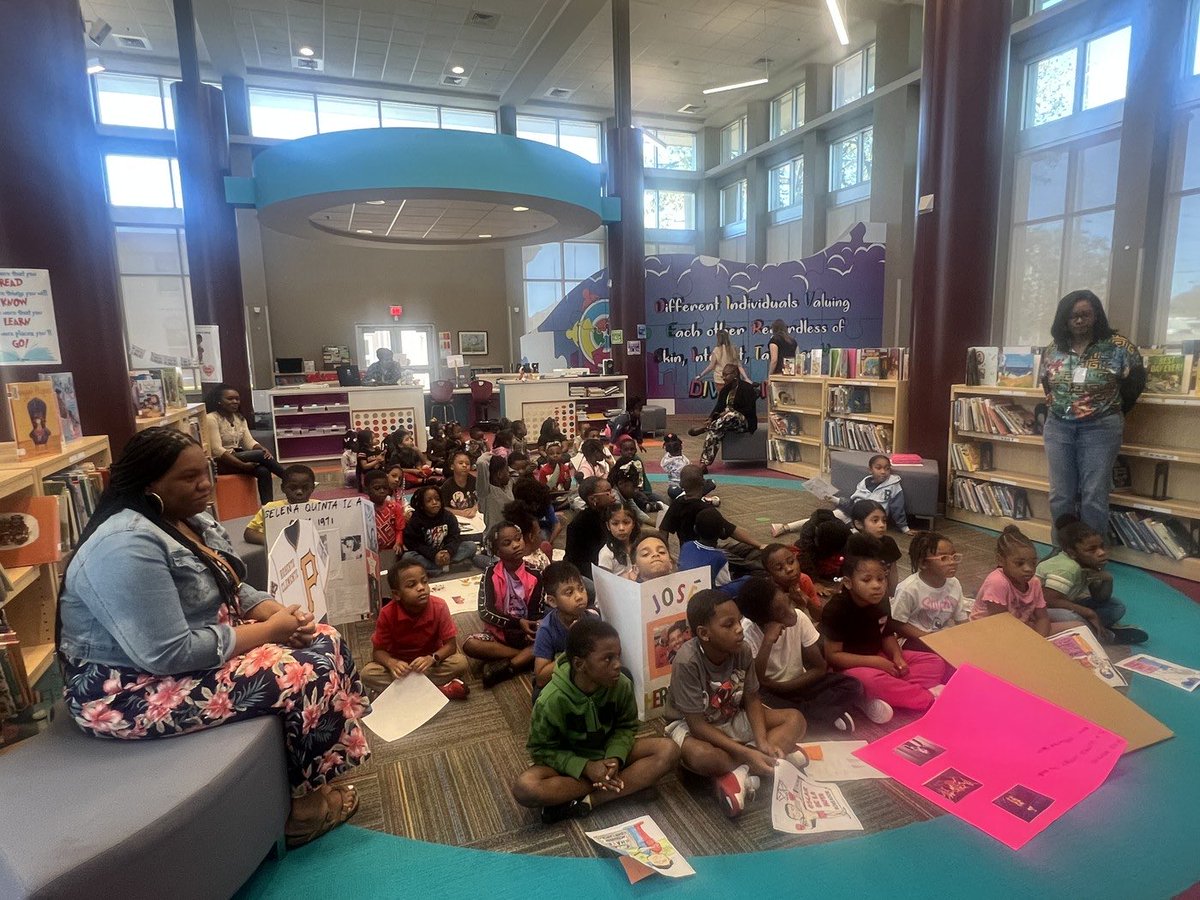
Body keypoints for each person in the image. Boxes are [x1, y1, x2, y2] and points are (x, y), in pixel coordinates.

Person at [57, 428, 369, 848]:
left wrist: (272, 610)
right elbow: (167, 654)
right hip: (131, 688)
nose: (205, 483)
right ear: (149, 484)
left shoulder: (187, 518)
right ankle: (303, 811)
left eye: (203, 471)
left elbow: (232, 583)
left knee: (325, 638)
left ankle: (316, 778)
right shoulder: (125, 546)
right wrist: (267, 633)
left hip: (201, 650)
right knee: (299, 672)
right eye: (188, 478)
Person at [513, 618, 680, 824]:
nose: (618, 665)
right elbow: (541, 750)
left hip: (609, 753)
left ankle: (592, 800)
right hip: (572, 765)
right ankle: (626, 783)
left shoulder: (622, 685)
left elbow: (626, 726)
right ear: (579, 664)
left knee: (669, 750)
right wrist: (585, 767)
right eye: (608, 659)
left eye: (618, 656)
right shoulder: (551, 699)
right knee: (526, 787)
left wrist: (615, 758)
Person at [663, 589, 808, 817]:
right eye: (728, 624)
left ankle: (741, 772)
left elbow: (751, 699)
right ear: (704, 633)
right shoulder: (687, 662)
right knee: (704, 757)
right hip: (692, 727)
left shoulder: (742, 650)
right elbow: (698, 726)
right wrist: (748, 752)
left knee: (795, 720)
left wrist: (761, 741)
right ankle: (766, 759)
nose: (739, 629)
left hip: (730, 714)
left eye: (739, 621)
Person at [1040, 289, 1145, 537]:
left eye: (1085, 315)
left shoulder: (1119, 347)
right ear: (1064, 319)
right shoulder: (1053, 349)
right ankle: (1062, 551)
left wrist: (1111, 410)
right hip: (1058, 427)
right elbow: (1047, 383)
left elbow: (1136, 383)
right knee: (1060, 494)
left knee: (1094, 495)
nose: (1079, 320)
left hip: (1101, 428)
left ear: (1096, 315)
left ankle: (1090, 557)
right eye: (1073, 316)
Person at [820, 536, 947, 723]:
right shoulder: (836, 609)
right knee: (868, 680)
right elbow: (833, 656)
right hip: (851, 668)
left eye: (881, 579)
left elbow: (887, 634)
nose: (877, 585)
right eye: (867, 580)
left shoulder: (881, 600)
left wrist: (897, 657)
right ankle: (927, 699)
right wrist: (876, 663)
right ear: (848, 583)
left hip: (881, 658)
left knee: (935, 662)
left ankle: (877, 696)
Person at [736, 577, 862, 732]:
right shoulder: (747, 634)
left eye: (788, 603)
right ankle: (822, 714)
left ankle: (809, 717)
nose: (791, 613)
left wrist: (785, 687)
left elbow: (819, 668)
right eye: (781, 611)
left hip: (797, 683)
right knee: (757, 704)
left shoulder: (799, 618)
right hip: (769, 693)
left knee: (853, 685)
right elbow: (758, 681)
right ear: (763, 621)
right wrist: (767, 642)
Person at [360, 558, 469, 700]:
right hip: (401, 668)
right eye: (412, 585)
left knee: (460, 663)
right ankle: (439, 690)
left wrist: (432, 658)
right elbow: (378, 652)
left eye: (424, 581)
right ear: (397, 594)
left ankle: (400, 691)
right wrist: (392, 663)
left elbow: (451, 646)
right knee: (367, 674)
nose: (421, 587)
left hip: (429, 664)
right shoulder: (387, 613)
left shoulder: (439, 606)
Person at [1037, 515, 1148, 644]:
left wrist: (1107, 579)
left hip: (1065, 602)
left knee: (1116, 606)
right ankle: (1106, 636)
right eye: (1092, 549)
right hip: (1039, 609)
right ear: (1072, 553)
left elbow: (1100, 598)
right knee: (1072, 617)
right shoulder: (1067, 568)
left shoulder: (1089, 562)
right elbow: (1049, 600)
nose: (1101, 552)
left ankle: (1093, 628)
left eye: (1102, 546)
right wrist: (1089, 613)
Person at [463, 522, 544, 687]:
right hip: (499, 635)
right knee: (469, 644)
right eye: (507, 543)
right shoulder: (490, 573)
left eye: (518, 539)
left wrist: (532, 628)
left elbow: (537, 613)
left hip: (525, 636)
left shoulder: (536, 574)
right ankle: (523, 659)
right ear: (497, 551)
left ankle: (510, 667)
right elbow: (485, 611)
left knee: (546, 637)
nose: (516, 545)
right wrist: (517, 623)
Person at [660, 465, 763, 574]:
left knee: (741, 550)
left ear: (681, 484)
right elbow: (731, 530)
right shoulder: (707, 511)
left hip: (688, 554)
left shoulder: (677, 504)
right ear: (703, 483)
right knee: (748, 561)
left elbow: (663, 531)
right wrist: (759, 545)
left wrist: (665, 554)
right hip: (709, 554)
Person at [970, 525, 1068, 637]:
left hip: (1020, 627)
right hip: (989, 631)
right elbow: (1000, 625)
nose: (1029, 569)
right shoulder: (997, 582)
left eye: (1033, 563)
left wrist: (1040, 641)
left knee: (1077, 625)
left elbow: (1042, 618)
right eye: (1019, 563)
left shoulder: (1034, 582)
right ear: (1000, 560)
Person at [204, 383, 286, 504]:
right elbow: (217, 450)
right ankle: (289, 477)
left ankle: (267, 508)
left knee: (263, 471)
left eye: (237, 399)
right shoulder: (211, 418)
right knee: (259, 455)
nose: (235, 401)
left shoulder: (239, 418)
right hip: (220, 462)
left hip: (236, 457)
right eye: (230, 399)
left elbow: (249, 442)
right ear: (219, 401)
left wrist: (262, 448)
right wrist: (242, 465)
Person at [531, 561, 597, 701]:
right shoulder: (547, 629)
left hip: (587, 677)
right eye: (569, 592)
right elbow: (541, 677)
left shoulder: (593, 619)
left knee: (623, 674)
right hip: (561, 680)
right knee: (538, 696)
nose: (579, 596)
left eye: (581, 588)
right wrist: (574, 647)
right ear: (553, 601)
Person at [891, 532, 970, 643]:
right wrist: (928, 638)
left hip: (943, 637)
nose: (952, 562)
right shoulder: (909, 588)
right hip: (914, 640)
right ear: (923, 563)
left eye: (954, 557)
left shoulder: (954, 583)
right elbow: (897, 623)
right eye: (944, 558)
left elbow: (961, 620)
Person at [688, 364, 758, 468]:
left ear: (735, 374)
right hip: (724, 422)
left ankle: (707, 428)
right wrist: (711, 417)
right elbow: (718, 406)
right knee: (714, 433)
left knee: (730, 414)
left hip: (744, 422)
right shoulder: (725, 390)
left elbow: (750, 410)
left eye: (726, 375)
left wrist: (731, 411)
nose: (723, 377)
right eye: (723, 375)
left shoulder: (747, 388)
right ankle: (704, 464)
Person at [402, 485, 479, 574]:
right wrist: (434, 555)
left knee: (471, 546)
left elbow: (455, 537)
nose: (434, 502)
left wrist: (448, 552)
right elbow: (414, 544)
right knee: (407, 557)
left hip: (446, 553)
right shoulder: (416, 520)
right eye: (429, 500)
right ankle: (446, 567)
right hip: (427, 555)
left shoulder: (448, 516)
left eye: (437, 499)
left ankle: (435, 569)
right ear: (422, 504)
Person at [834, 454, 910, 533]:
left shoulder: (894, 485)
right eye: (878, 468)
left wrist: (904, 528)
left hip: (873, 517)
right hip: (855, 511)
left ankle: (853, 526)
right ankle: (840, 505)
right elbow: (853, 500)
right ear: (870, 470)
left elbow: (897, 508)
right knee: (832, 515)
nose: (883, 472)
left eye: (887, 469)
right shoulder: (864, 482)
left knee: (855, 534)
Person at [243, 464, 316, 546]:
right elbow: (249, 533)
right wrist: (276, 541)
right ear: (283, 488)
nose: (299, 492)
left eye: (305, 488)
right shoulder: (271, 508)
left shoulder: (320, 507)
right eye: (293, 487)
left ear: (313, 488)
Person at [564, 476, 615, 579]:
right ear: (593, 499)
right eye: (608, 492)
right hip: (590, 574)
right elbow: (575, 561)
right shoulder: (579, 525)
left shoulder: (611, 515)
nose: (613, 495)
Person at [761, 543, 821, 618]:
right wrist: (797, 606)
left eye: (791, 562)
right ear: (770, 573)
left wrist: (808, 601)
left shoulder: (804, 580)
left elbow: (820, 617)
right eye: (779, 568)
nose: (789, 569)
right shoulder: (769, 593)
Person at [678, 507, 734, 587]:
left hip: (684, 587)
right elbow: (725, 586)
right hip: (704, 596)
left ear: (695, 529)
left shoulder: (686, 546)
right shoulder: (720, 558)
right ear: (722, 532)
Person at [660, 432, 716, 502]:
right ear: (681, 446)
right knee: (711, 483)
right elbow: (691, 478)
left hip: (678, 487)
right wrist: (701, 468)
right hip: (684, 486)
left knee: (673, 491)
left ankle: (686, 497)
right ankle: (696, 498)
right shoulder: (679, 463)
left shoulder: (667, 457)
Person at [365, 468, 404, 555]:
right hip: (370, 552)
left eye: (385, 488)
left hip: (392, 550)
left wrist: (398, 543)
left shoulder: (395, 507)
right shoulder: (364, 509)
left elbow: (399, 530)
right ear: (366, 490)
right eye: (377, 488)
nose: (382, 491)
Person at [596, 503, 639, 579]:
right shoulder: (606, 554)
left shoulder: (641, 545)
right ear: (608, 526)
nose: (621, 528)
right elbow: (605, 584)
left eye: (626, 522)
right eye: (615, 524)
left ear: (633, 524)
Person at [440, 450, 479, 519]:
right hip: (456, 518)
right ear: (452, 466)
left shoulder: (475, 481)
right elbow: (443, 507)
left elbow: (483, 499)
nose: (464, 465)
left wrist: (475, 508)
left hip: (474, 516)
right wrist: (459, 513)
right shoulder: (447, 486)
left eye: (467, 464)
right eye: (460, 463)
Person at [479, 454, 515, 528]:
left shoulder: (508, 486)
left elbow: (518, 472)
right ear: (499, 474)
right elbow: (481, 463)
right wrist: (489, 455)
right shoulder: (486, 491)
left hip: (509, 529)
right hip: (493, 533)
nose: (509, 473)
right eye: (507, 470)